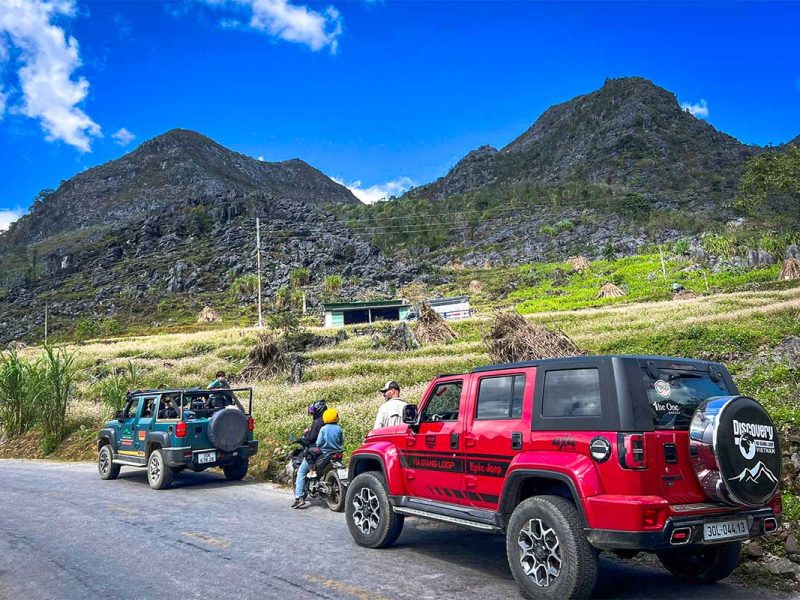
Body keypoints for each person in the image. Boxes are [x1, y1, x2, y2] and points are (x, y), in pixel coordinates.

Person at [292, 400, 327, 508]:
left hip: (317, 452)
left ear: (317, 410)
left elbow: (311, 438)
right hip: (330, 451)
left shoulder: (317, 422)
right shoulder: (330, 422)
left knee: (301, 472)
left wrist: (306, 432)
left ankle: (299, 498)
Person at [308, 408, 344, 478]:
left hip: (325, 452)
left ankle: (312, 471)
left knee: (309, 453)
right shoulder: (339, 428)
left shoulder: (323, 429)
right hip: (338, 452)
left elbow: (318, 443)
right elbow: (341, 442)